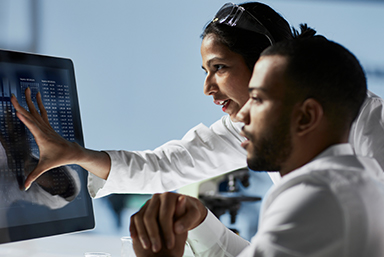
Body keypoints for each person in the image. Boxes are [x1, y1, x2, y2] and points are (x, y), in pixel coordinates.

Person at [10, 2, 384, 200]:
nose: (207, 87)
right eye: (204, 71)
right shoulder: (248, 127)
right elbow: (163, 165)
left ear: (267, 62)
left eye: (219, 68)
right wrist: (75, 153)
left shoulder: (368, 122)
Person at [129, 26, 384, 257]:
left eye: (258, 99)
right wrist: (200, 222)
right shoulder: (357, 182)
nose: (241, 115)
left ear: (306, 116)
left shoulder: (315, 198)